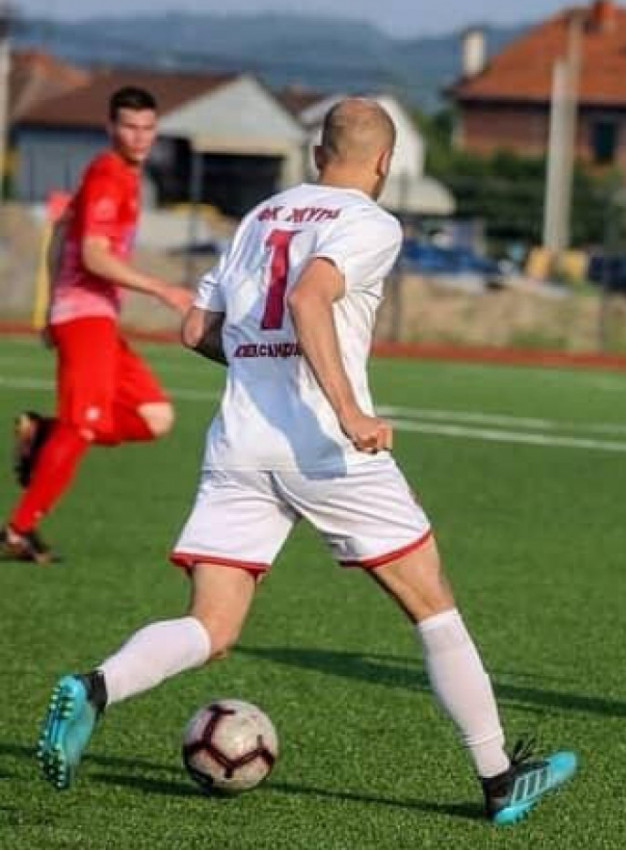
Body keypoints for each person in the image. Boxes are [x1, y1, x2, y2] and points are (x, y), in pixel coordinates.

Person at [35, 98, 576, 825]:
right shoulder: (370, 222)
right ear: (384, 161)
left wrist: (262, 366)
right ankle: (499, 775)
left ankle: (96, 687)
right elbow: (309, 297)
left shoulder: (259, 216)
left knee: (211, 626)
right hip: (325, 449)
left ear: (319, 154)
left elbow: (196, 329)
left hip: (240, 443)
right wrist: (348, 410)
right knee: (431, 604)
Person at [5, 86, 193, 565]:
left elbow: (59, 232)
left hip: (96, 316)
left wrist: (49, 305)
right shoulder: (108, 174)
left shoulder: (122, 176)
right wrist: (162, 289)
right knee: (83, 426)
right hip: (85, 316)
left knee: (155, 416)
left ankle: (43, 433)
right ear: (111, 128)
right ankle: (17, 531)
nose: (140, 136)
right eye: (130, 127)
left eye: (148, 128)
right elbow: (92, 256)